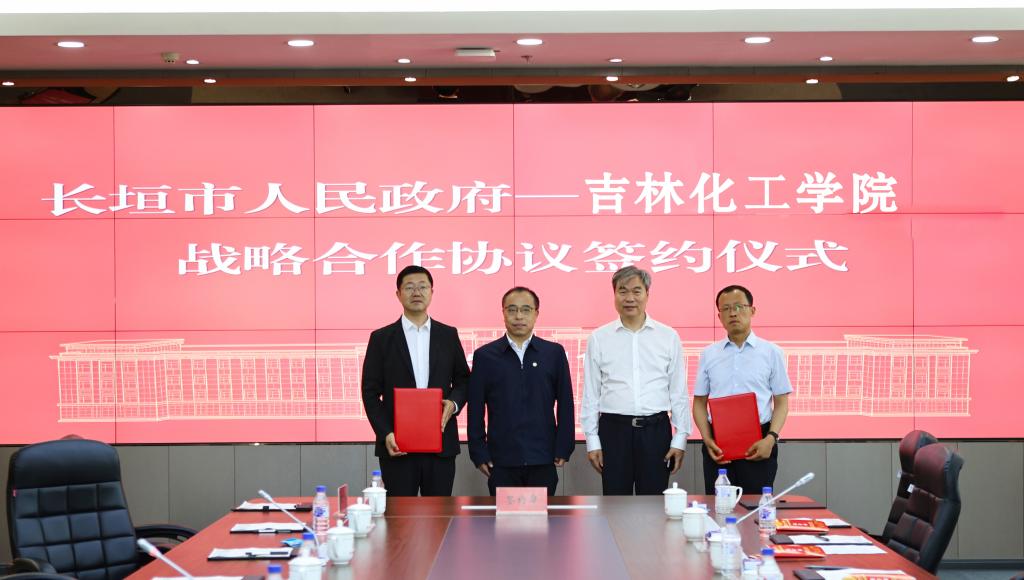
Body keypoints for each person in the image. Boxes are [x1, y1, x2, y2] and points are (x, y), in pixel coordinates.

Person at [361, 265, 470, 496]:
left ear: (432, 292)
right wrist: (386, 432)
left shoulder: (448, 335)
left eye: (422, 287)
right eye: (409, 287)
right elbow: (370, 392)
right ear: (398, 294)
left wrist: (453, 404)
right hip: (397, 445)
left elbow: (463, 380)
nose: (416, 292)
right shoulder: (381, 338)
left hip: (441, 444)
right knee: (399, 514)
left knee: (439, 513)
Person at [580, 266, 690, 495]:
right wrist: (592, 440)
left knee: (653, 503)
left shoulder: (668, 336)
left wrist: (680, 438)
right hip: (613, 431)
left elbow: (678, 392)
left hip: (655, 431)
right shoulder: (599, 338)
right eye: (622, 291)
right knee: (615, 502)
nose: (629, 298)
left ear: (647, 294)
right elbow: (591, 393)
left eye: (636, 291)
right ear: (614, 295)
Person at [467, 287, 574, 496]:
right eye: (512, 310)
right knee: (504, 518)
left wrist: (563, 447)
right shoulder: (485, 356)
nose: (518, 316)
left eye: (526, 310)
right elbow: (475, 409)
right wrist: (478, 453)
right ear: (503, 313)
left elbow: (566, 403)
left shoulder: (553, 353)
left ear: (536, 314)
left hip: (543, 457)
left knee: (542, 517)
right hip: (501, 460)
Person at [692, 284, 792, 495]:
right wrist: (707, 439)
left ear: (752, 310)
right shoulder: (709, 354)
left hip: (760, 442)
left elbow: (781, 401)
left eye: (739, 306)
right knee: (719, 505)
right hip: (718, 444)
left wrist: (771, 438)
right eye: (726, 309)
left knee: (755, 505)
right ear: (719, 316)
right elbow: (699, 403)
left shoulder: (771, 352)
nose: (733, 313)